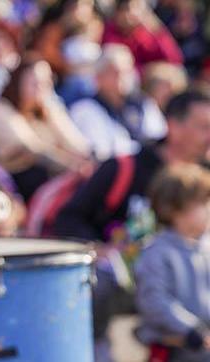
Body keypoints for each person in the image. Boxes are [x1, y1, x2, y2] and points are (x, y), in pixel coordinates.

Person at [55, 91, 210, 362]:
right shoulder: (125, 167)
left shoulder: (206, 174)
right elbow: (68, 218)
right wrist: (99, 249)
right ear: (174, 125)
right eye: (205, 127)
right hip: (125, 290)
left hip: (190, 289)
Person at [0, 55, 92, 201]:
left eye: (47, 83)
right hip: (7, 186)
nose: (42, 89)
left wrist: (86, 162)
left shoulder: (43, 111)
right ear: (18, 82)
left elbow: (78, 145)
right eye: (35, 83)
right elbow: (34, 150)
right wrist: (75, 166)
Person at [135, 163, 210, 362]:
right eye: (201, 204)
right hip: (174, 349)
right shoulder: (157, 252)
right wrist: (191, 329)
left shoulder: (206, 246)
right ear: (174, 210)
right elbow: (155, 301)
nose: (207, 209)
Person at [69, 44, 167, 161]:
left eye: (126, 71)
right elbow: (102, 152)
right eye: (113, 71)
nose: (121, 76)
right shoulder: (84, 109)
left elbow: (159, 137)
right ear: (98, 77)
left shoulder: (143, 103)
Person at [102, 0, 183, 70]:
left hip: (148, 81)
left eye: (133, 9)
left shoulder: (149, 30)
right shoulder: (109, 31)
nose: (128, 15)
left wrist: (157, 29)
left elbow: (174, 59)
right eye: (124, 9)